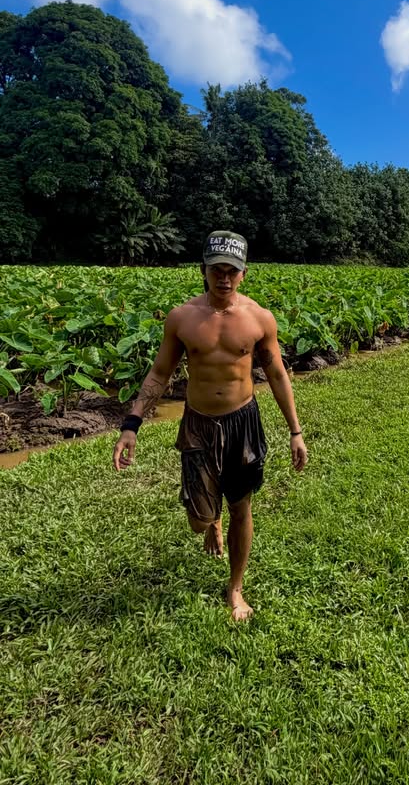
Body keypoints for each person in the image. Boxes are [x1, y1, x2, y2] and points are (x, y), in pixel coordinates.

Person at [112, 230, 308, 621]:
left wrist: (295, 431)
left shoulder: (259, 319)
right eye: (216, 270)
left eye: (231, 271)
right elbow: (160, 373)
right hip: (198, 424)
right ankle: (210, 520)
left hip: (243, 423)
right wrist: (131, 423)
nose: (223, 278)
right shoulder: (183, 318)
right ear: (203, 270)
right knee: (198, 520)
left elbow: (277, 374)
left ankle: (235, 588)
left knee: (242, 506)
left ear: (243, 274)